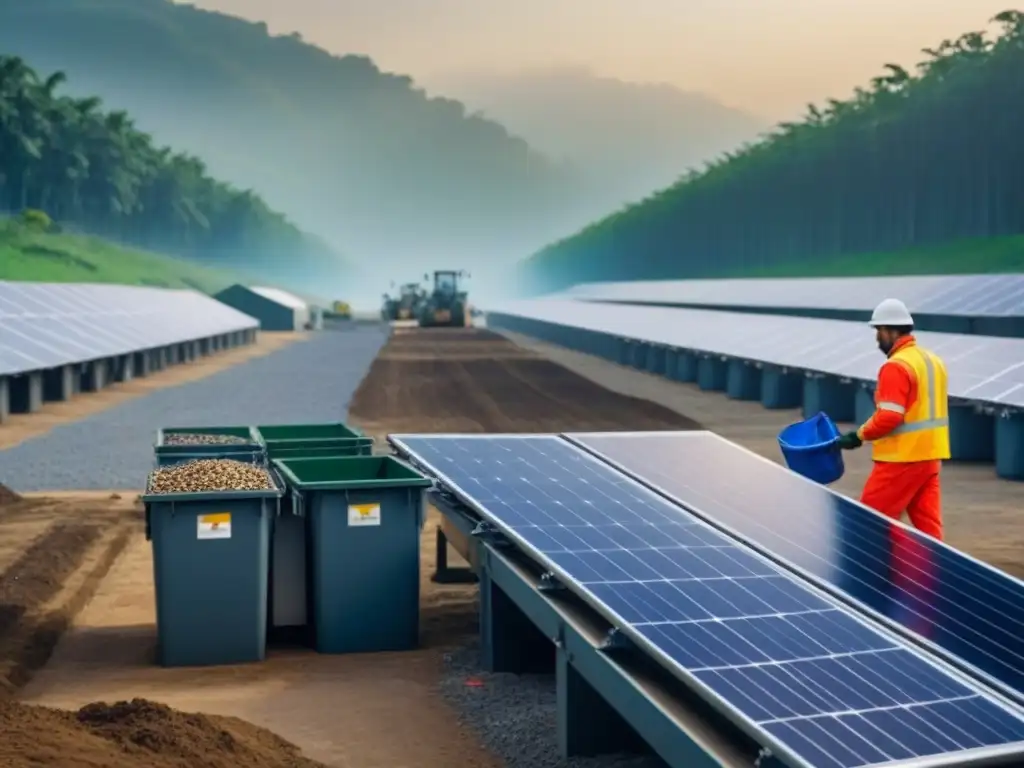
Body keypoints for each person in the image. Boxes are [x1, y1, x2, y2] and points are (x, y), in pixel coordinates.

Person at [837, 298, 950, 540]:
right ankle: (937, 575)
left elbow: (889, 417)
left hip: (902, 458)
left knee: (867, 525)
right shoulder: (932, 361)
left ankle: (869, 576)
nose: (878, 338)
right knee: (930, 533)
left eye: (879, 331)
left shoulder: (896, 366)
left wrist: (858, 436)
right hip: (930, 457)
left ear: (890, 331)